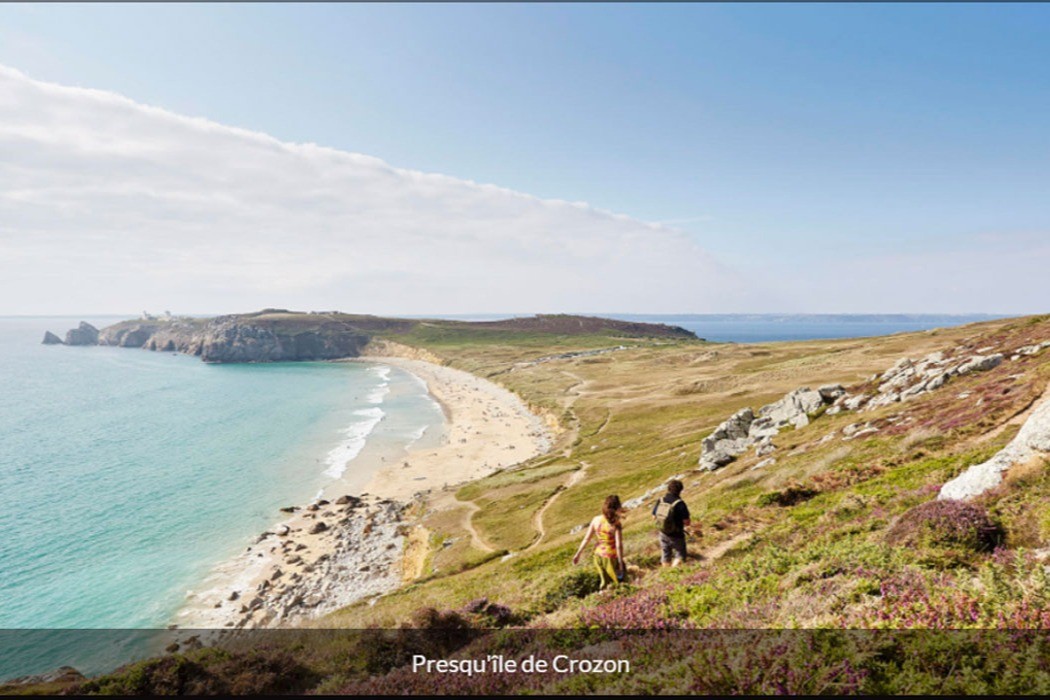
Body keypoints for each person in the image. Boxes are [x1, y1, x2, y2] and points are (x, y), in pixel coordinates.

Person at [572, 495, 626, 589]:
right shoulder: (616, 524)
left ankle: (602, 599)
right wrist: (620, 563)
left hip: (598, 556)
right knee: (618, 583)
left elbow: (586, 539)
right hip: (610, 557)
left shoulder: (595, 519)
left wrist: (578, 554)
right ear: (616, 508)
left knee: (604, 582)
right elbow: (618, 545)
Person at [652, 479, 692, 567]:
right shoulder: (680, 503)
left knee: (666, 554)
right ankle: (676, 572)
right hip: (676, 534)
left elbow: (654, 516)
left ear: (668, 489)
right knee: (680, 554)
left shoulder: (661, 500)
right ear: (680, 490)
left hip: (663, 533)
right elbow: (687, 522)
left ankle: (666, 573)